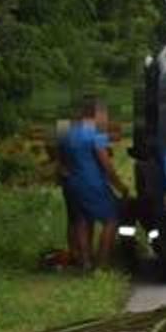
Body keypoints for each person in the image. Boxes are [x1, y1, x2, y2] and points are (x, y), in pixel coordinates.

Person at [53, 95, 127, 271]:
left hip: (72, 183)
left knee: (81, 220)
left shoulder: (65, 131)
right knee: (111, 219)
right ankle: (102, 263)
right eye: (105, 114)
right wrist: (120, 186)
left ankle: (84, 262)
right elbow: (106, 164)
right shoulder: (95, 133)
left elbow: (59, 158)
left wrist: (64, 171)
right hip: (92, 183)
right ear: (97, 114)